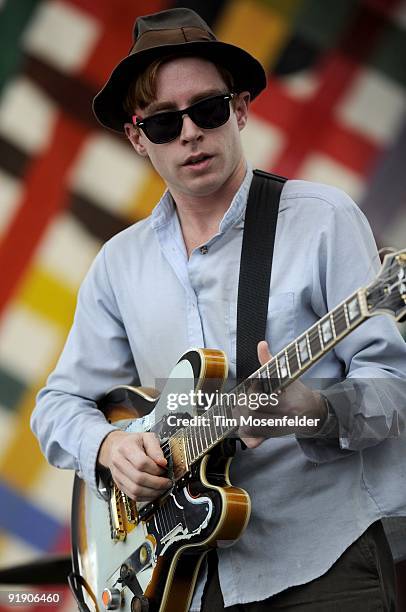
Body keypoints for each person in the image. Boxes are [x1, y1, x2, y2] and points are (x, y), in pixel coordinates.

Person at [31, 8, 406, 611]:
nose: (189, 133)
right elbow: (56, 406)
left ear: (240, 109)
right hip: (186, 581)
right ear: (136, 137)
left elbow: (395, 392)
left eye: (207, 109)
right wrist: (109, 448)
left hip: (324, 565)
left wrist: (314, 411)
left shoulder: (322, 219)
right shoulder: (118, 265)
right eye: (162, 123)